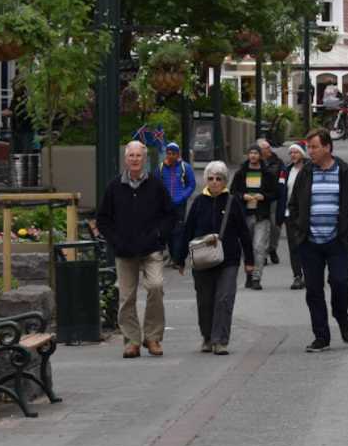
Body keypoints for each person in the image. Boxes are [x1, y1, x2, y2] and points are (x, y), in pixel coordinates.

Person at [286, 128, 348, 353]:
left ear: (327, 147)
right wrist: (298, 228)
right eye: (308, 147)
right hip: (309, 242)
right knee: (313, 291)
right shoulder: (306, 172)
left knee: (340, 282)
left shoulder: (345, 171)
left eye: (314, 147)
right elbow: (293, 205)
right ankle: (321, 336)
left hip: (337, 242)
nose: (309, 151)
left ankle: (341, 317)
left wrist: (347, 231)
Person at [95, 141, 175, 358]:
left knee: (156, 286)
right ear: (125, 158)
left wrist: (159, 235)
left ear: (145, 158)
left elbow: (170, 215)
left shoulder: (156, 185)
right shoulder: (114, 187)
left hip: (151, 249)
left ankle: (153, 337)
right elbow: (103, 219)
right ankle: (131, 340)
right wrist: (116, 241)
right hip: (125, 251)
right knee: (126, 297)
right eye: (131, 155)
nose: (135, 159)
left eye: (139, 156)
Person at [170, 162, 255, 355]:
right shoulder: (199, 202)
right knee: (205, 300)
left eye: (219, 178)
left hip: (229, 259)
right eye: (211, 178)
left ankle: (220, 340)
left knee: (224, 299)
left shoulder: (232, 202)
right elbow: (187, 231)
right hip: (202, 260)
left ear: (225, 181)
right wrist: (179, 258)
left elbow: (244, 232)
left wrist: (249, 261)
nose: (215, 182)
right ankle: (207, 337)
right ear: (206, 181)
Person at [234, 143, 278, 290]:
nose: (253, 155)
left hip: (261, 215)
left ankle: (256, 278)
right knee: (246, 247)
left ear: (260, 156)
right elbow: (233, 192)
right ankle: (248, 272)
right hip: (244, 215)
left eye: (256, 153)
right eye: (250, 153)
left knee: (259, 247)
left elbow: (275, 193)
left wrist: (263, 196)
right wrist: (243, 196)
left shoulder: (268, 174)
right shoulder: (241, 173)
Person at [281, 143, 309, 289]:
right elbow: (281, 192)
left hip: (307, 213)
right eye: (290, 153)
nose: (292, 155)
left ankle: (311, 274)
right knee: (294, 246)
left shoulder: (310, 169)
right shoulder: (286, 170)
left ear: (302, 154)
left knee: (308, 245)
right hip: (289, 213)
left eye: (295, 152)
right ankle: (297, 275)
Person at [258, 140, 284, 265]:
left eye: (269, 147)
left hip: (273, 197)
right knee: (261, 227)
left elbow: (280, 178)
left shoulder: (277, 162)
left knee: (274, 227)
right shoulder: (254, 162)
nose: (269, 150)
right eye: (266, 148)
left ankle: (272, 248)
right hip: (259, 198)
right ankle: (262, 254)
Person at [159, 142, 197, 221]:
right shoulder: (161, 167)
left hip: (180, 203)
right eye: (169, 153)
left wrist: (183, 196)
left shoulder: (185, 167)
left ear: (178, 154)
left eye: (174, 154)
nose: (171, 156)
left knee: (179, 226)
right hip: (165, 203)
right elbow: (156, 184)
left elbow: (192, 184)